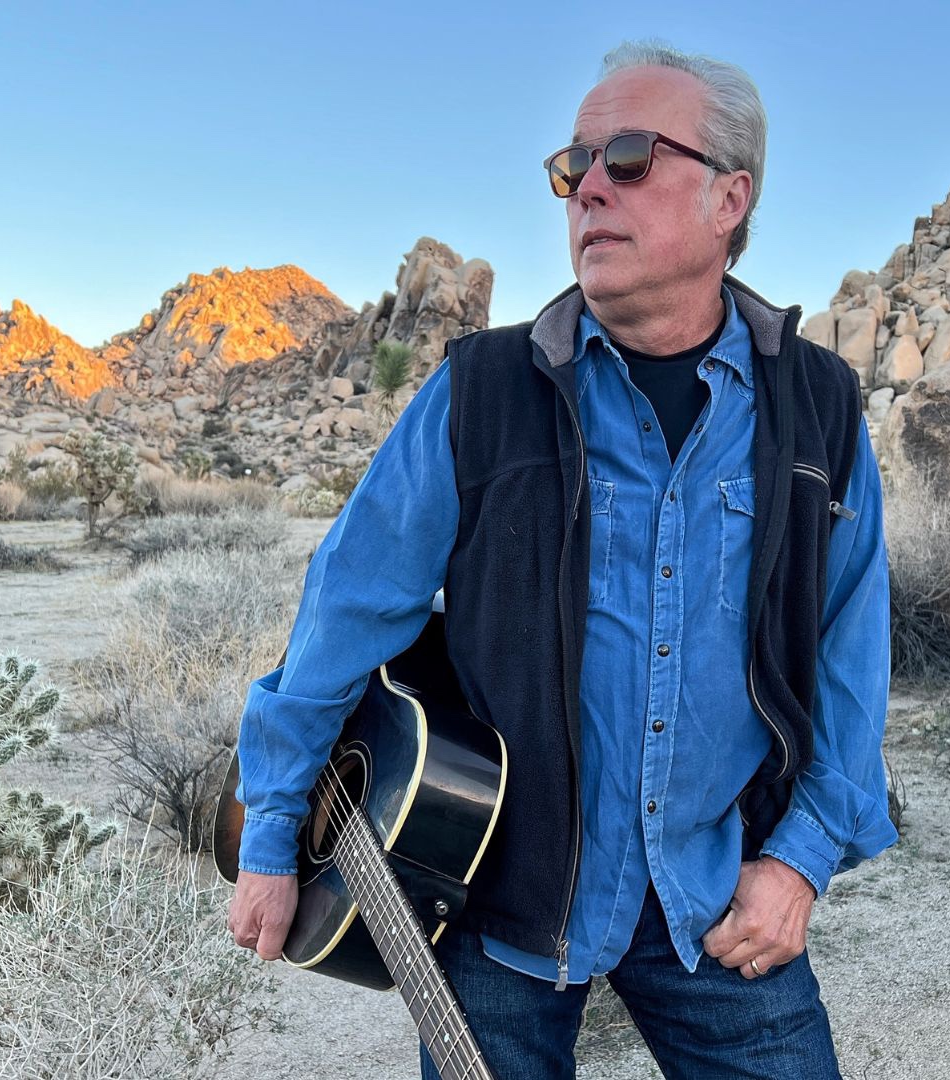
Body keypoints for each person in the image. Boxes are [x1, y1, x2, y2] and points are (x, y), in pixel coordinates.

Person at [227, 38, 899, 1080]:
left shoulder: (818, 410)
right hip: (495, 893)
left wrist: (802, 862)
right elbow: (346, 612)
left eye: (627, 158)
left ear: (730, 199)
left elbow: (852, 654)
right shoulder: (480, 392)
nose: (587, 187)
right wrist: (273, 831)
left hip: (716, 895)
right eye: (571, 165)